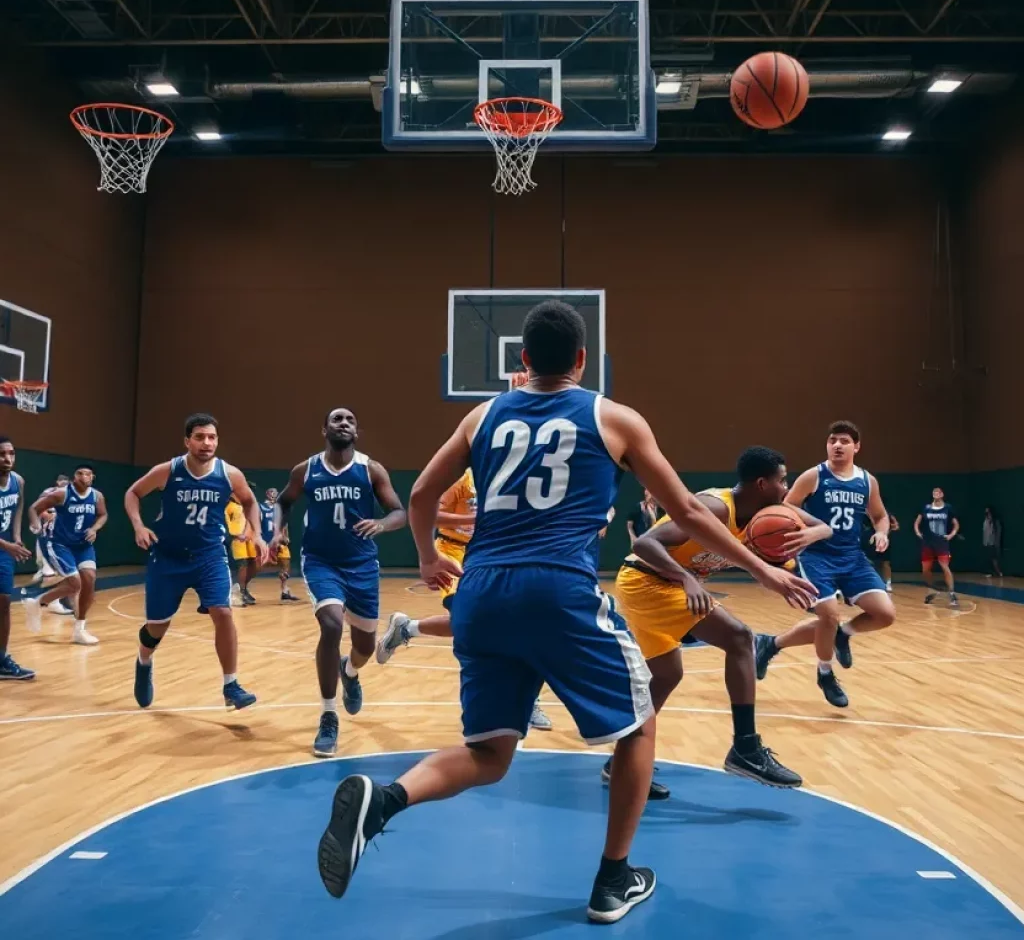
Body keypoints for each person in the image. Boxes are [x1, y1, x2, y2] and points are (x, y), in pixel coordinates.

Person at [315, 300, 815, 923]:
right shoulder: (615, 418)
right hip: (558, 587)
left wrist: (427, 558)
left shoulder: (482, 415)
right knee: (636, 728)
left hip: (482, 592)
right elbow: (687, 511)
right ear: (583, 359)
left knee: (489, 753)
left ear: (523, 359)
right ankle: (612, 880)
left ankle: (386, 801)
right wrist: (765, 570)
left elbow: (420, 494)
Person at [605, 446, 824, 798]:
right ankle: (746, 748)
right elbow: (646, 544)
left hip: (653, 585)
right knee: (740, 638)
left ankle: (621, 760)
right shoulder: (716, 507)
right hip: (647, 580)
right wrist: (685, 578)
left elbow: (822, 527)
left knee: (667, 675)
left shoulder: (766, 512)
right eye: (782, 481)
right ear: (762, 483)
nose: (787, 489)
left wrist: (811, 535)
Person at [377, 374, 552, 731]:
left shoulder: (510, 478)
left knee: (520, 622)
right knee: (470, 621)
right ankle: (502, 701)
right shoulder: (463, 478)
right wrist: (471, 517)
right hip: (452, 552)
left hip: (491, 553)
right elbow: (431, 511)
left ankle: (407, 628)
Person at [273, 407, 407, 758]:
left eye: (349, 420)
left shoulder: (370, 469)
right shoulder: (306, 470)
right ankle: (328, 715)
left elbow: (399, 512)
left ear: (356, 432)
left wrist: (382, 524)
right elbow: (283, 502)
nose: (343, 423)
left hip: (361, 565)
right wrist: (276, 530)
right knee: (331, 625)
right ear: (325, 430)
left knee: (365, 647)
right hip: (321, 562)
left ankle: (349, 671)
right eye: (337, 419)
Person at [124, 413, 266, 710]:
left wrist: (256, 531)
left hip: (209, 556)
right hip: (168, 557)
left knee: (223, 612)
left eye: (212, 437)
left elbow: (250, 501)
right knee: (157, 627)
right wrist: (139, 526)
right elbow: (133, 493)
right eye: (200, 437)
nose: (206, 443)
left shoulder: (230, 474)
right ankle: (143, 660)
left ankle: (231, 685)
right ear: (187, 441)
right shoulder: (168, 470)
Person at [755, 420, 894, 708]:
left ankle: (786, 642)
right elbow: (786, 505)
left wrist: (882, 532)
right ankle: (825, 674)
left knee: (884, 614)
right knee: (828, 616)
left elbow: (880, 515)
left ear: (856, 447)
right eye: (832, 441)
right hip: (817, 556)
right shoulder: (814, 476)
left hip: (852, 557)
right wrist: (807, 528)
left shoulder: (867, 481)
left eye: (844, 441)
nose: (837, 445)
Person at [25, 465, 108, 645]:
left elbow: (103, 515)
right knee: (75, 583)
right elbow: (34, 508)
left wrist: (95, 528)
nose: (84, 476)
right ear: (74, 477)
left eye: (88, 474)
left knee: (89, 580)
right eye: (80, 473)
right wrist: (36, 525)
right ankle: (39, 602)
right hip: (59, 543)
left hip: (83, 544)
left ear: (93, 477)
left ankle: (79, 630)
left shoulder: (97, 496)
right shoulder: (61, 494)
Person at [0, 437, 34, 680]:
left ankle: (1, 660)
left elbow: (19, 508)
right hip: (5, 547)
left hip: (4, 550)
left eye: (11, 453)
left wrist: (17, 537)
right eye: (2, 454)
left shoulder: (18, 481)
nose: (7, 458)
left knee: (4, 603)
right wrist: (8, 545)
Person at [24, 475, 73, 611]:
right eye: (61, 482)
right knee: (52, 572)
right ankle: (49, 601)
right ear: (57, 482)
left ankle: (42, 596)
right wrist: (49, 516)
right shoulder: (49, 493)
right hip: (46, 535)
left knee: (53, 571)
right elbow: (39, 510)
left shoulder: (69, 497)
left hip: (56, 537)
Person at [914, 488, 959, 607]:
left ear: (942, 494)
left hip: (941, 543)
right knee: (925, 570)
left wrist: (951, 535)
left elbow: (956, 524)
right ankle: (932, 590)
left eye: (938, 492)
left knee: (945, 566)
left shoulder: (948, 508)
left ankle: (952, 593)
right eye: (934, 492)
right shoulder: (926, 508)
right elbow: (917, 522)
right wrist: (918, 532)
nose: (936, 493)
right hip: (928, 542)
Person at [260, 487, 298, 601]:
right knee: (255, 566)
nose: (274, 495)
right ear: (267, 494)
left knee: (286, 563)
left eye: (276, 493)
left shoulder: (280, 508)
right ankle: (243, 589)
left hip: (280, 541)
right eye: (271, 493)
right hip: (267, 541)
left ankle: (284, 590)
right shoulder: (261, 507)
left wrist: (286, 536)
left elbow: (284, 524)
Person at [226, 492, 257, 606]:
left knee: (254, 564)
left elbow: (250, 521)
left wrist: (248, 533)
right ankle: (240, 591)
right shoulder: (229, 506)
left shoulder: (246, 506)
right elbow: (226, 524)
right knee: (242, 564)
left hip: (248, 538)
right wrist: (235, 535)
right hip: (236, 539)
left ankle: (244, 588)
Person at [863, 512, 898, 593]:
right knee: (869, 562)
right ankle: (869, 583)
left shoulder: (885, 513)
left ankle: (888, 583)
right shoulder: (863, 513)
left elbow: (896, 525)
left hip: (882, 540)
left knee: (886, 563)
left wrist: (885, 532)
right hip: (870, 539)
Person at [983, 507, 1003, 579]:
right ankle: (992, 572)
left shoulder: (995, 522)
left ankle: (998, 572)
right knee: (989, 558)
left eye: (988, 512)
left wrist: (996, 543)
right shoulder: (986, 521)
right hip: (987, 543)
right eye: (986, 513)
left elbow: (998, 533)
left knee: (994, 559)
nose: (987, 514)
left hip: (993, 543)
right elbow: (985, 532)